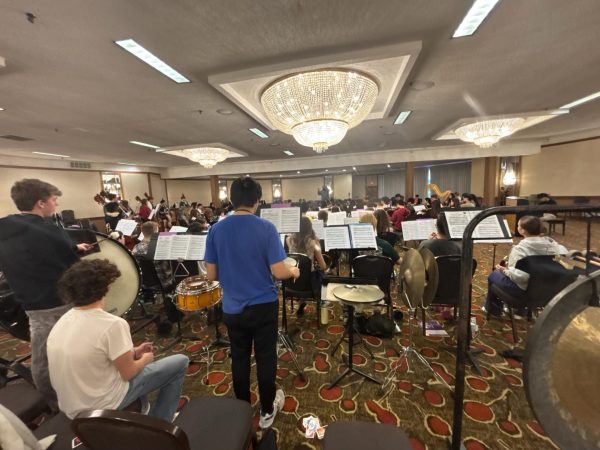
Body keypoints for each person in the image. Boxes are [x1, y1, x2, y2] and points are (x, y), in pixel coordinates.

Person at [204, 177, 299, 429]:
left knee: (239, 358)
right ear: (258, 200)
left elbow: (211, 276)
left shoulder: (215, 229)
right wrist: (294, 272)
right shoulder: (266, 228)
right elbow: (279, 272)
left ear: (232, 200)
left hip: (232, 307)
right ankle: (267, 411)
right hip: (263, 305)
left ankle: (242, 410)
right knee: (266, 357)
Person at [47, 259, 188, 421]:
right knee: (180, 362)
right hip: (103, 405)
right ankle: (163, 422)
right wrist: (146, 359)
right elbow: (128, 373)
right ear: (107, 287)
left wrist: (134, 352)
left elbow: (93, 356)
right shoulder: (112, 324)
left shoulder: (63, 321)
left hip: (72, 409)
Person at [0, 179, 91, 405]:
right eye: (53, 199)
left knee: (48, 353)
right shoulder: (49, 230)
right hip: (57, 302)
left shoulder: (5, 228)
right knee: (49, 361)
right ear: (40, 203)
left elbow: (35, 254)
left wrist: (72, 247)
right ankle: (59, 403)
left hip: (30, 303)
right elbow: (72, 268)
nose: (56, 203)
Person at [483, 216, 567, 317]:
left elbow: (520, 278)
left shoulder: (520, 249)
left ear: (522, 230)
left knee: (493, 275)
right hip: (547, 290)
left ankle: (493, 310)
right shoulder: (553, 245)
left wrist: (504, 270)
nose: (517, 227)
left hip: (524, 293)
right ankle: (519, 312)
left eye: (518, 225)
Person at [286, 216, 328, 316]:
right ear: (310, 227)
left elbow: (296, 258)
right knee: (324, 275)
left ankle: (301, 300)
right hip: (309, 283)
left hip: (292, 280)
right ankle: (323, 303)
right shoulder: (314, 242)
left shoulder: (288, 240)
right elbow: (322, 266)